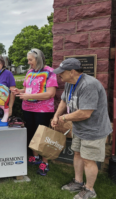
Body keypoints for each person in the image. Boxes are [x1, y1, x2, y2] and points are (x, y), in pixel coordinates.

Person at [51, 58, 112, 199]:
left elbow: (85, 113)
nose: (59, 75)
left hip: (94, 130)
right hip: (79, 128)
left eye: (61, 72)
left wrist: (64, 118)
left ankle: (89, 189)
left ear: (72, 72)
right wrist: (56, 116)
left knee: (88, 160)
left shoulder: (89, 85)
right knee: (77, 154)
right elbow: (64, 100)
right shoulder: (69, 83)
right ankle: (78, 182)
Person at [10, 48, 58, 176]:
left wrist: (28, 96)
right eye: (28, 60)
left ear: (38, 59)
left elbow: (50, 93)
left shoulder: (50, 72)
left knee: (42, 136)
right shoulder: (30, 72)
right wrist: (19, 91)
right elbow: (27, 89)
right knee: (31, 132)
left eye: (30, 60)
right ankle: (35, 157)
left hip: (43, 109)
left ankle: (45, 162)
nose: (29, 62)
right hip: (28, 108)